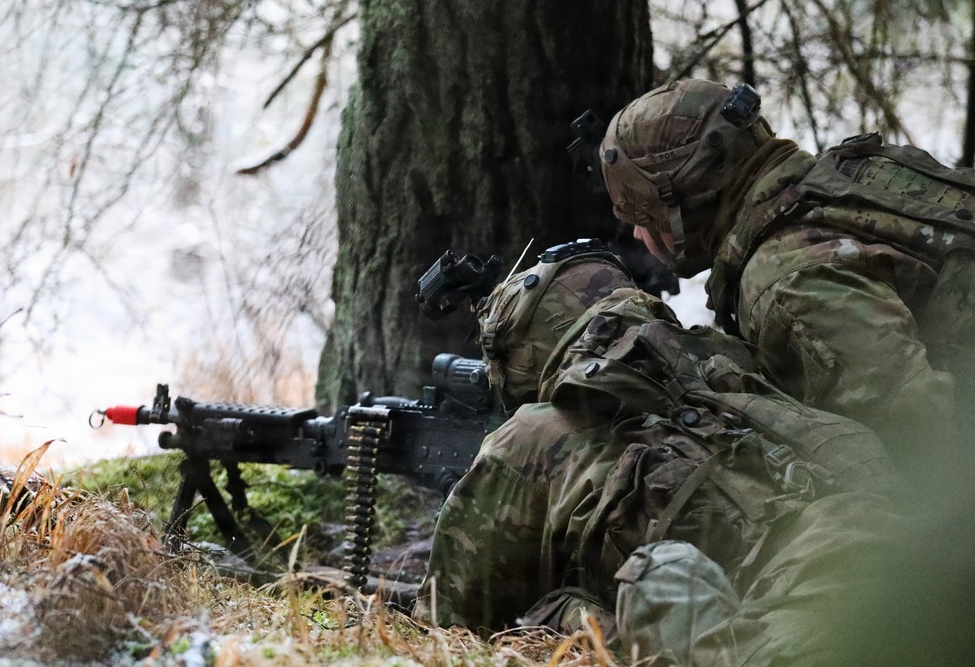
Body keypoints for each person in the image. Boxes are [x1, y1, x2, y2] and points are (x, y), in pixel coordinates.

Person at [414, 245, 899, 665]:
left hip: (797, 625)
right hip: (896, 567)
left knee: (568, 604)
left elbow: (446, 620)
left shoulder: (530, 436)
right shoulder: (735, 384)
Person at [598, 78, 975, 482]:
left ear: (685, 202)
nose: (639, 234)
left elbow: (927, 445)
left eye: (643, 215)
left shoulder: (785, 282)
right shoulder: (849, 174)